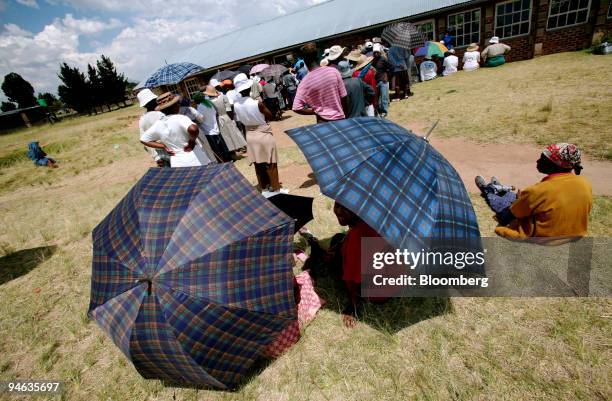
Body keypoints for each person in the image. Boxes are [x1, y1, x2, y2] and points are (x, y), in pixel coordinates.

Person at [490, 143, 592, 239]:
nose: (538, 161)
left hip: (542, 241)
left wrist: (518, 201)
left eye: (543, 159)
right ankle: (497, 188)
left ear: (555, 164)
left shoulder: (538, 191)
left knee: (504, 204)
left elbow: (512, 214)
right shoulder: (585, 184)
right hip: (574, 237)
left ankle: (490, 190)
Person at [233, 74, 282, 193]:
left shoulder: (236, 105)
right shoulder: (257, 103)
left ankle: (264, 187)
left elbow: (239, 119)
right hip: (263, 132)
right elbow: (270, 115)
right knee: (271, 162)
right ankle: (275, 188)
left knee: (258, 163)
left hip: (249, 134)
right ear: (250, 88)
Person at [140, 92, 213, 168]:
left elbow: (143, 139)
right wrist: (191, 142)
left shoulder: (158, 124)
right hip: (195, 159)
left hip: (177, 163)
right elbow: (193, 129)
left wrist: (164, 146)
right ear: (175, 106)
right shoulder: (181, 118)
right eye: (177, 103)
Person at [292, 42, 348, 123]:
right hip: (340, 119)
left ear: (304, 60)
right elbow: (344, 97)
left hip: (322, 122)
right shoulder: (333, 72)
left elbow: (296, 107)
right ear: (317, 57)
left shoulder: (304, 83)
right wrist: (344, 115)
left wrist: (315, 111)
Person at [206, 85, 247, 159]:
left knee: (225, 136)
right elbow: (228, 109)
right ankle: (239, 148)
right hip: (226, 116)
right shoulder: (223, 97)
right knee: (233, 132)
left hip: (218, 119)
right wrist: (231, 118)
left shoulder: (209, 102)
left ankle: (232, 152)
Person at [190, 92, 231, 163]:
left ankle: (222, 161)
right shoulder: (209, 104)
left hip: (208, 130)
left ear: (197, 100)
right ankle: (228, 159)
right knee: (222, 146)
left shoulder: (200, 107)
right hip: (215, 127)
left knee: (216, 148)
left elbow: (201, 119)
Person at [137, 89, 170, 167]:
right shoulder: (161, 114)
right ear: (155, 100)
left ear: (144, 105)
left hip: (159, 153)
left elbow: (144, 140)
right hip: (170, 149)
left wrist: (156, 157)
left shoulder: (142, 119)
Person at [372, 43, 393, 117]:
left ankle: (385, 111)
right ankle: (380, 110)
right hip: (376, 81)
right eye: (375, 52)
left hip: (383, 80)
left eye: (377, 52)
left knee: (384, 97)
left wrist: (387, 75)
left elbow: (391, 67)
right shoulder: (373, 61)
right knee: (378, 98)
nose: (376, 54)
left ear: (380, 52)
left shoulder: (383, 59)